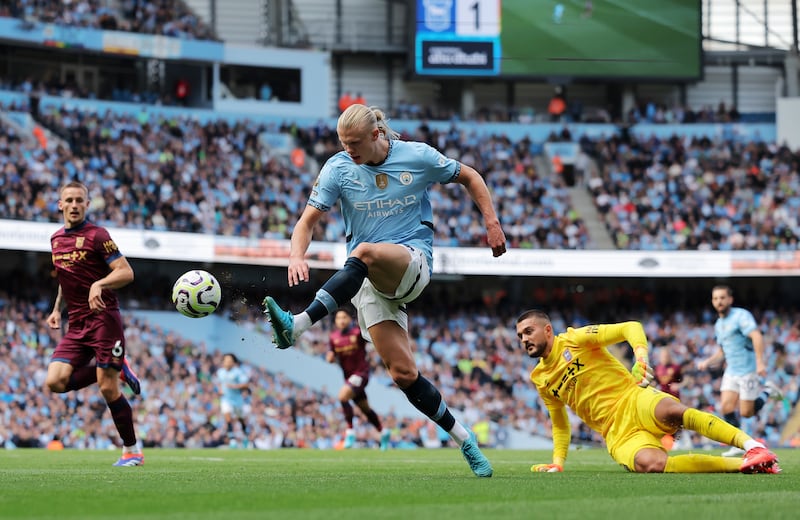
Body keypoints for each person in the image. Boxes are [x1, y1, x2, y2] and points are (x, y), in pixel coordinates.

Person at [263, 103, 507, 477]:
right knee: (403, 374)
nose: (349, 150)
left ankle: (298, 324)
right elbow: (306, 222)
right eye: (343, 143)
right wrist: (296, 256)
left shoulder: (417, 156)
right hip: (367, 280)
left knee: (363, 253)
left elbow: (470, 176)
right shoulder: (338, 168)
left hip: (412, 261)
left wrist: (491, 223)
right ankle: (466, 441)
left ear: (377, 135)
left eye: (355, 143)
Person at [516, 309, 780, 474]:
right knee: (651, 464)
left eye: (529, 331)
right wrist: (558, 462)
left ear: (547, 330)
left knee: (673, 411)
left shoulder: (574, 338)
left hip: (633, 398)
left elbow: (631, 327)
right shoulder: (540, 379)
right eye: (520, 336)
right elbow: (560, 424)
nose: (525, 339)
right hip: (616, 432)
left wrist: (640, 357)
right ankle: (746, 465)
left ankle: (753, 447)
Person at [45, 181, 144, 466]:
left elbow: (126, 272)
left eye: (79, 200)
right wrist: (56, 309)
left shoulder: (98, 236)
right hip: (76, 323)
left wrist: (99, 283)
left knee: (107, 387)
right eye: (69, 200)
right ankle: (118, 366)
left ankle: (132, 450)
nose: (74, 205)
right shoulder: (55, 240)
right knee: (55, 381)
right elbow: (67, 278)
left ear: (87, 205)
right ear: (60, 204)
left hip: (103, 319)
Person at [697, 285, 783, 456]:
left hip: (748, 370)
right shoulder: (719, 324)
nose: (719, 302)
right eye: (715, 299)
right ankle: (738, 444)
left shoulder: (741, 316)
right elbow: (722, 351)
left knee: (746, 412)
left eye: (722, 298)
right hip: (731, 371)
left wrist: (760, 363)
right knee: (726, 408)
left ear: (730, 299)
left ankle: (767, 392)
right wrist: (708, 361)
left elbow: (756, 336)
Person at [327, 306, 391, 450]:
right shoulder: (333, 337)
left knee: (343, 397)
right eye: (338, 318)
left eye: (344, 317)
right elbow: (330, 355)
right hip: (348, 377)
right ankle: (383, 431)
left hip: (361, 374)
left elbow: (373, 339)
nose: (341, 321)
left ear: (350, 319)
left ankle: (350, 432)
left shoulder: (357, 333)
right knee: (365, 409)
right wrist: (330, 357)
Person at [215, 353, 250, 447]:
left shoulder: (238, 372)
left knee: (240, 419)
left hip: (237, 400)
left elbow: (246, 384)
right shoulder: (220, 372)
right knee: (228, 417)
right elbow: (219, 383)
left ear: (233, 362)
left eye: (230, 361)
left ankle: (246, 436)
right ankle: (232, 439)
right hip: (225, 399)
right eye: (226, 360)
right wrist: (220, 390)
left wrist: (234, 386)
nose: (227, 362)